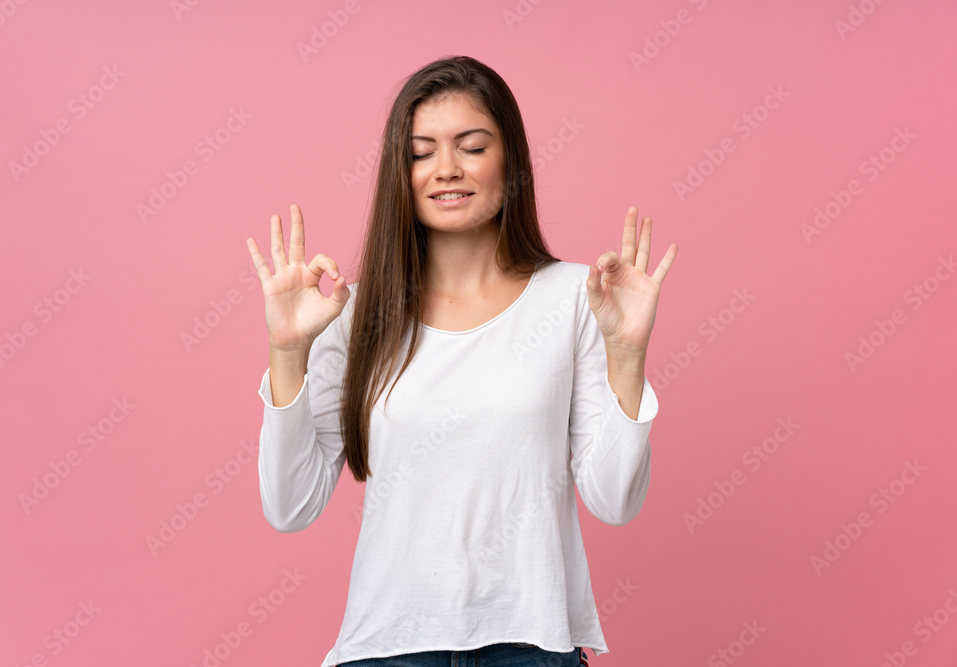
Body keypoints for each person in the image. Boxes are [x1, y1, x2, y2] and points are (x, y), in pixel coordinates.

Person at [245, 55, 677, 667]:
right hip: (389, 649)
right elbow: (290, 507)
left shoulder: (577, 299)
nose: (446, 168)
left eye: (471, 146)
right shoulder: (355, 312)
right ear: (401, 171)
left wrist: (628, 356)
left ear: (511, 162)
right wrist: (289, 353)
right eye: (422, 152)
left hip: (533, 645)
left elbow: (614, 500)